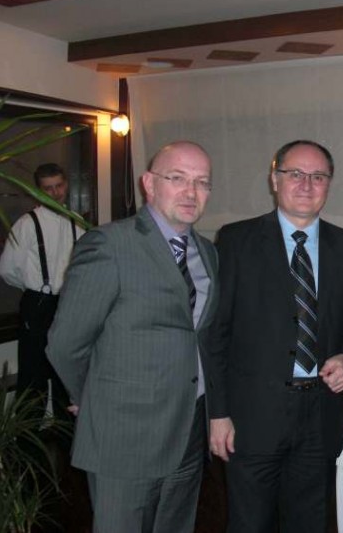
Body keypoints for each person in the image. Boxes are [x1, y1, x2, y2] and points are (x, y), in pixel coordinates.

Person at [47, 141, 219, 533]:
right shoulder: (109, 244)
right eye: (177, 178)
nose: (191, 191)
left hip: (189, 427)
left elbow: (202, 338)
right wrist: (92, 397)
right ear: (149, 183)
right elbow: (65, 343)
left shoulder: (208, 253)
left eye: (202, 182)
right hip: (124, 433)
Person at [206, 140, 343, 533]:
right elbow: (216, 332)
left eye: (318, 176)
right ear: (274, 180)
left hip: (320, 416)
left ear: (329, 184)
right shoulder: (236, 241)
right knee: (249, 524)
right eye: (295, 174)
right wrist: (218, 413)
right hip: (253, 416)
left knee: (309, 523)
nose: (306, 184)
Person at [0, 163, 84, 424]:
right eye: (48, 188)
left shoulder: (77, 222)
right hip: (37, 303)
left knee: (64, 373)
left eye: (59, 186)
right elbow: (7, 269)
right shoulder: (27, 224)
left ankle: (66, 438)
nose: (55, 193)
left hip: (67, 305)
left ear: (66, 185)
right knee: (32, 377)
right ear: (38, 190)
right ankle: (28, 440)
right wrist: (36, 288)